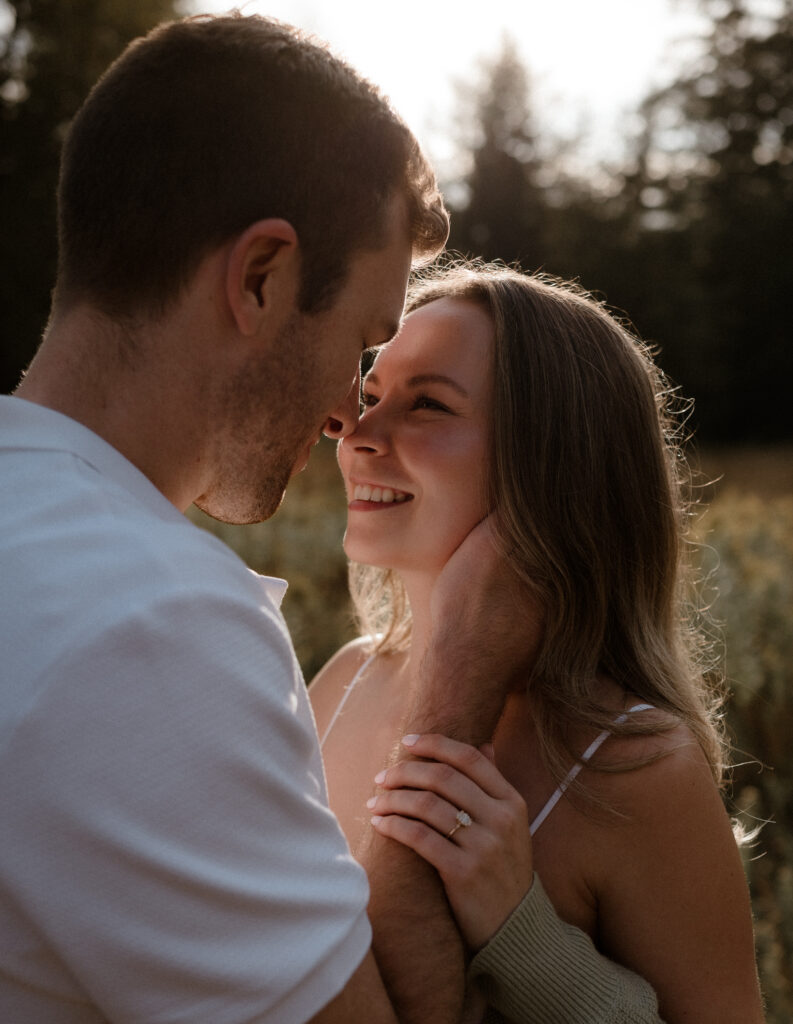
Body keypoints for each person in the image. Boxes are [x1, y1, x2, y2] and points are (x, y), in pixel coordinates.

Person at [0, 14, 546, 1024]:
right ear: (261, 278)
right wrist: (454, 692)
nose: (350, 409)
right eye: (361, 339)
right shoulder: (146, 620)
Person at [309, 262, 766, 1023]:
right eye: (369, 395)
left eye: (426, 404)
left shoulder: (633, 765)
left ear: (554, 460)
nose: (357, 435)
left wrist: (519, 933)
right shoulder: (345, 679)